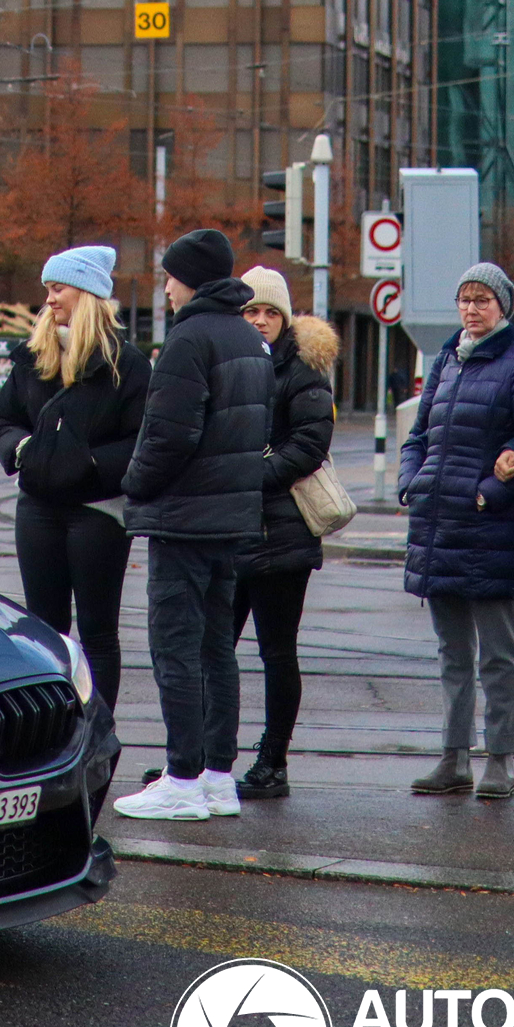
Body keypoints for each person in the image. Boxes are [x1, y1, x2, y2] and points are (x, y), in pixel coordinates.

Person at [112, 228, 272, 822]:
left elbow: (169, 434)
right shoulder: (249, 340)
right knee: (216, 651)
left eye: (171, 277)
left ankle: (180, 777)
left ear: (193, 279)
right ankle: (217, 777)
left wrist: (135, 483)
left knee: (173, 648)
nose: (167, 288)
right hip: (231, 520)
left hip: (184, 518)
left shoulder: (188, 340)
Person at [398, 262, 514, 802]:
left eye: (482, 299)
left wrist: (490, 492)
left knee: (499, 656)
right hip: (438, 525)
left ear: (502, 306)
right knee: (452, 653)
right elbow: (418, 435)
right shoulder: (447, 360)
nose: (471, 308)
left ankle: (501, 761)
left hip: (492, 529)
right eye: (464, 299)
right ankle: (453, 758)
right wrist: (410, 482)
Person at [0, 244, 152, 712]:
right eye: (48, 290)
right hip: (37, 507)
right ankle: (50, 730)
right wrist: (23, 451)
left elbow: (144, 439)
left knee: (98, 632)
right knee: (42, 631)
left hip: (98, 514)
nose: (50, 299)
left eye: (58, 289)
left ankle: (98, 731)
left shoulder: (129, 365)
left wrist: (91, 464)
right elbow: (2, 418)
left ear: (86, 293)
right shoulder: (33, 356)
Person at [231, 266, 338, 800]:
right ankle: (202, 760)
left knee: (277, 651)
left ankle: (273, 760)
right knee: (212, 651)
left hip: (282, 533)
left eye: (270, 312)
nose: (260, 321)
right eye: (251, 311)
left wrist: (245, 473)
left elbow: (308, 445)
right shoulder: (225, 364)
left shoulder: (303, 372)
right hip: (228, 532)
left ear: (285, 319)